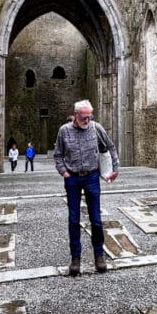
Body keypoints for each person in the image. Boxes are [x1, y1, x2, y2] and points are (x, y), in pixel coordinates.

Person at [54, 99, 119, 276]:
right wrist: (64, 173)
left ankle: (99, 255)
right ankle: (76, 258)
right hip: (73, 179)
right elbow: (58, 155)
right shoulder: (64, 131)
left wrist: (115, 168)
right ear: (75, 115)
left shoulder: (96, 128)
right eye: (84, 117)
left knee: (96, 219)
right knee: (73, 220)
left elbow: (111, 147)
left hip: (92, 177)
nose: (87, 121)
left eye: (90, 117)